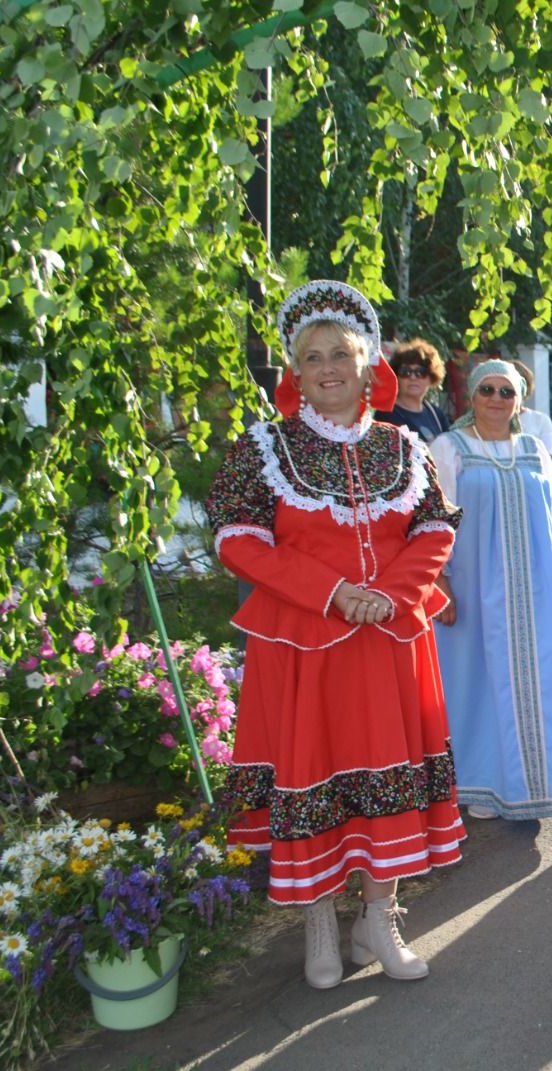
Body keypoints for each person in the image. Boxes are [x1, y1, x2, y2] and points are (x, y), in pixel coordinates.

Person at [205, 280, 464, 989]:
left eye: (340, 354)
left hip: (386, 639)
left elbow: (437, 526)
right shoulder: (266, 448)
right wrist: (331, 592)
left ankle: (379, 917)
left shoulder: (403, 446)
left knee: (386, 777)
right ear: (296, 371)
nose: (326, 368)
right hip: (302, 644)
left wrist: (391, 592)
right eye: (312, 356)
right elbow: (237, 538)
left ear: (366, 364)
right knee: (310, 772)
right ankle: (319, 917)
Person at [431, 360, 552, 824]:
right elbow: (433, 523)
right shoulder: (449, 448)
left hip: (533, 590)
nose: (496, 399)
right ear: (471, 397)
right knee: (476, 680)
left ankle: (534, 784)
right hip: (471, 587)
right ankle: (482, 783)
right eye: (486, 390)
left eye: (506, 392)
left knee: (536, 682)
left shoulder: (535, 449)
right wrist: (438, 582)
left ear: (519, 400)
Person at [375, 338, 452, 443]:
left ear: (432, 377)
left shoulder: (437, 414)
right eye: (405, 372)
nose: (413, 377)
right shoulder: (385, 415)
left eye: (420, 372)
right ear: (396, 376)